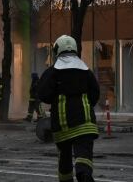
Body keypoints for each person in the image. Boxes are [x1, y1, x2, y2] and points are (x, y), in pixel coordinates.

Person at [38, 35, 99, 182]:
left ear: (57, 51)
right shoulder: (86, 71)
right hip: (85, 123)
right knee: (83, 153)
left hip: (62, 124)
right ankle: (84, 174)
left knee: (64, 157)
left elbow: (43, 94)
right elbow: (95, 94)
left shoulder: (52, 72)